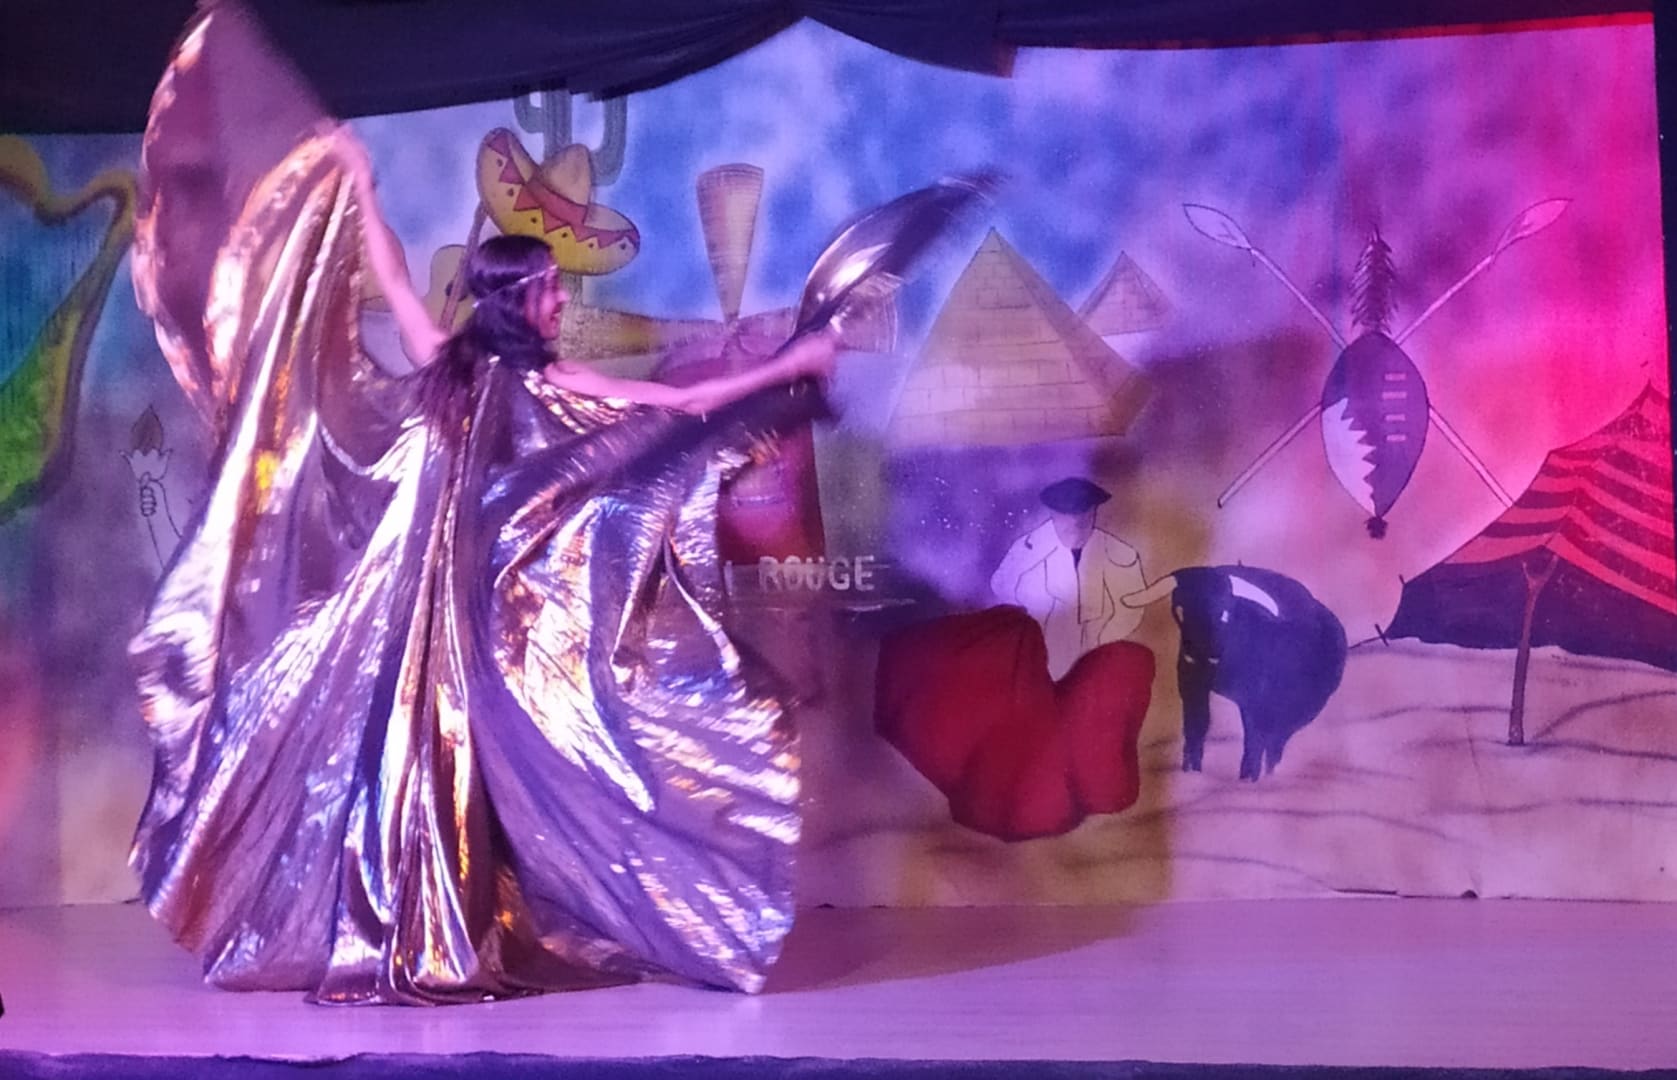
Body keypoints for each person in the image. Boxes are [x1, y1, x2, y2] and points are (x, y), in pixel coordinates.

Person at [127, 5, 838, 1005]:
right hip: (412, 615)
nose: (560, 301)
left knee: (488, 768)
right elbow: (384, 271)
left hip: (485, 623)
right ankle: (399, 929)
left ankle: (454, 926)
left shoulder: (553, 381)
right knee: (392, 768)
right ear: (512, 298)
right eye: (546, 291)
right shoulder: (448, 369)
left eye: (557, 289)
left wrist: (787, 365)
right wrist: (358, 183)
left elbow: (677, 406)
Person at [989, 477, 1147, 680]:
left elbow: (1132, 607)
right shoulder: (1029, 547)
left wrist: (1103, 640)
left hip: (1095, 652)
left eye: (1084, 518)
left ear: (1094, 513)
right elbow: (1001, 585)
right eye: (1066, 520)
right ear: (1053, 515)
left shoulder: (1121, 554)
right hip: (1040, 650)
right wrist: (1030, 631)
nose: (1076, 526)